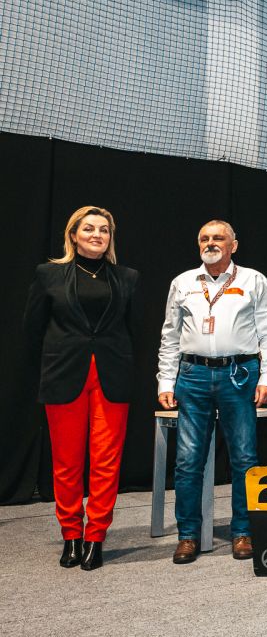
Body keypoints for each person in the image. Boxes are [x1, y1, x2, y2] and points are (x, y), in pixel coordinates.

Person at [156, 221, 267, 564]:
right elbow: (169, 336)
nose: (210, 243)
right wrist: (166, 382)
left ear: (233, 245)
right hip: (192, 375)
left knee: (244, 458)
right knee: (187, 460)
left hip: (239, 374)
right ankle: (188, 535)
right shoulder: (183, 282)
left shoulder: (253, 280)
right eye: (204, 238)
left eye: (218, 238)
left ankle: (243, 531)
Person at [24, 206, 139, 571]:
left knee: (106, 462)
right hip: (63, 376)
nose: (96, 235)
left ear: (110, 238)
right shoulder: (48, 275)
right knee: (66, 463)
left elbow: (134, 330)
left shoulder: (127, 277)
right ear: (73, 235)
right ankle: (71, 534)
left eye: (103, 230)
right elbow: (32, 329)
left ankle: (96, 536)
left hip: (112, 377)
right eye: (88, 229)